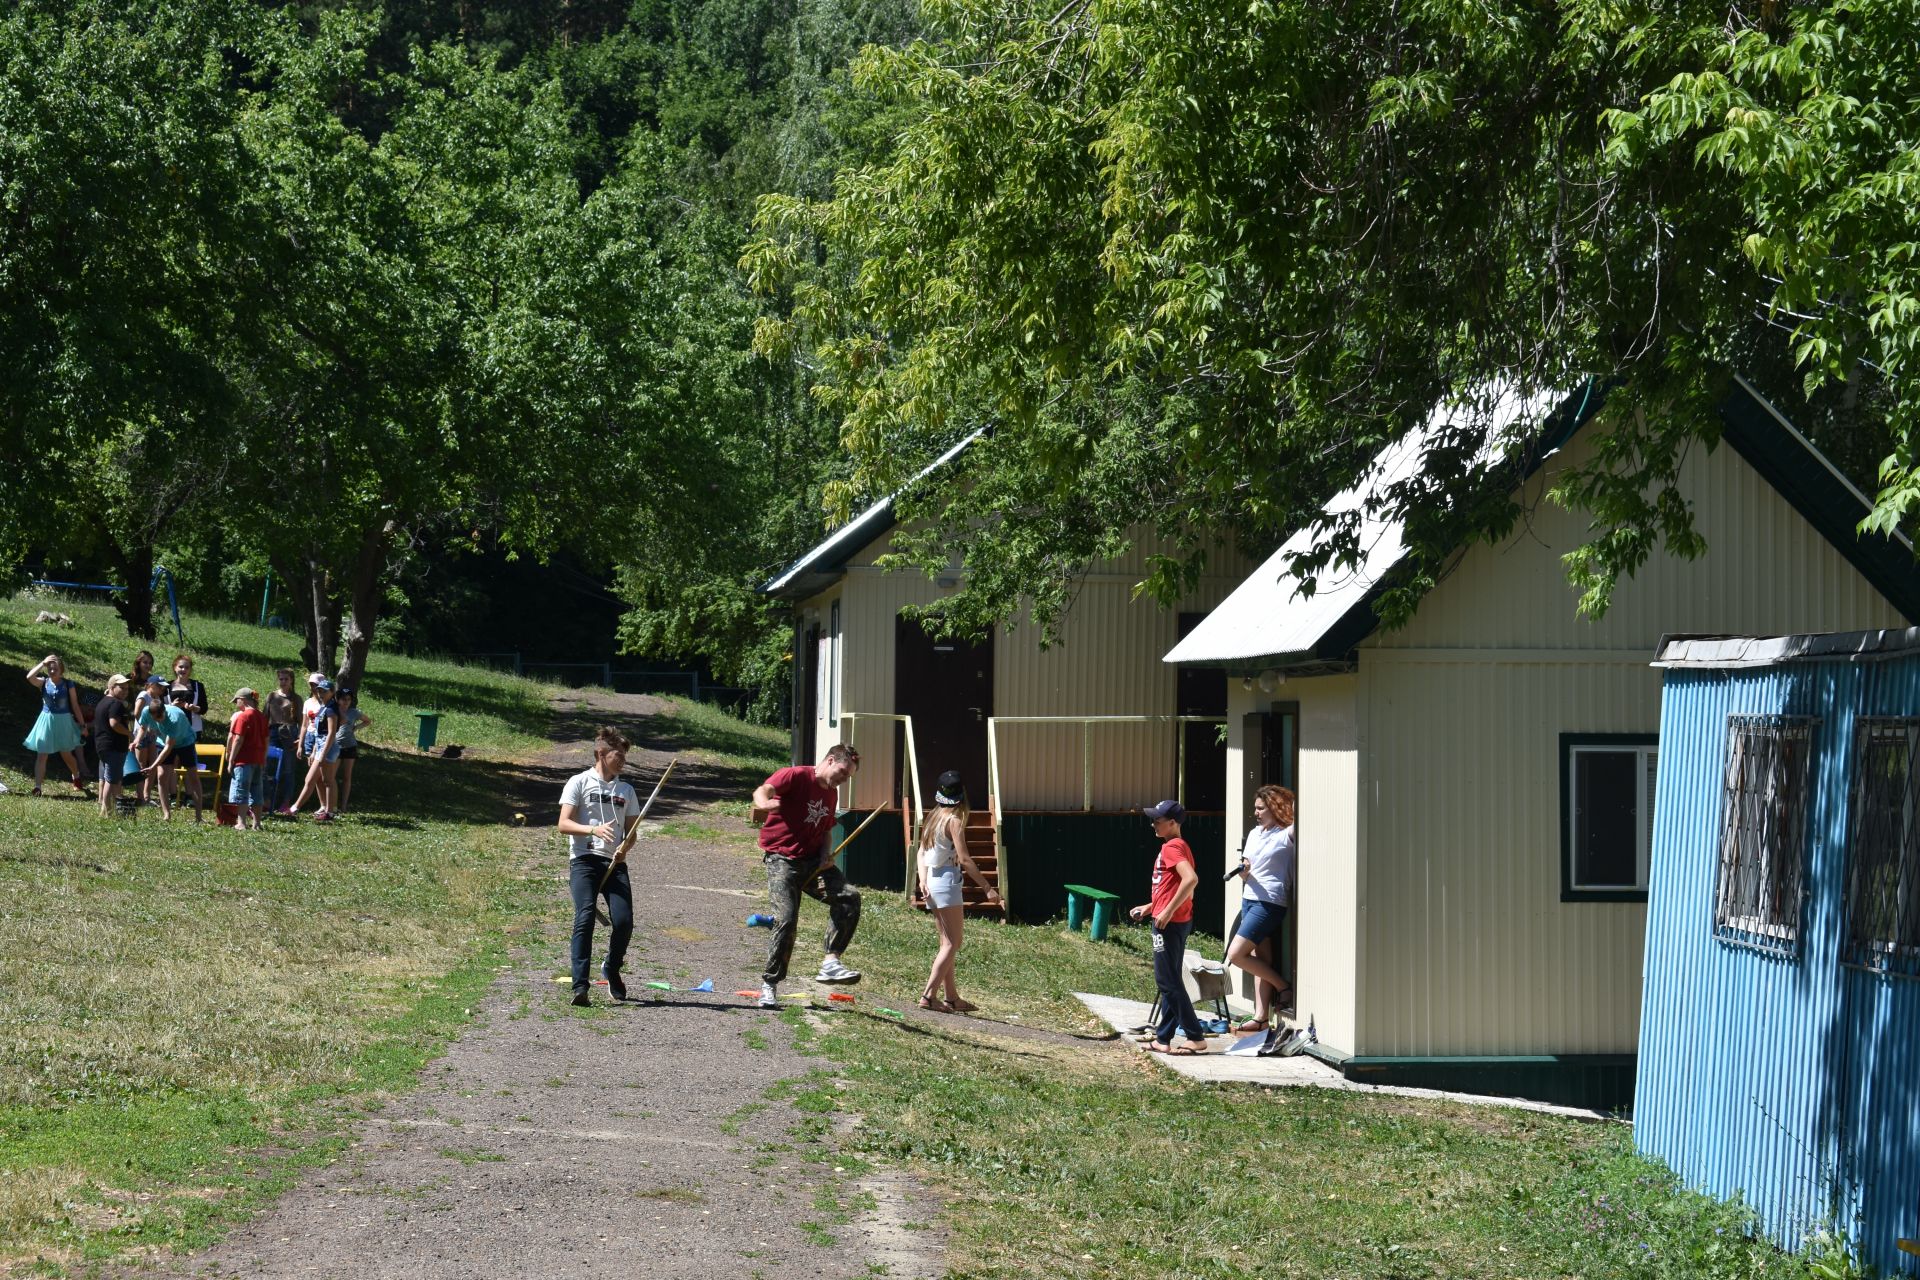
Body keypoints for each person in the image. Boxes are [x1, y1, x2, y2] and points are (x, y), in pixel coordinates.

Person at [748, 744, 864, 1008]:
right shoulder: (797, 775)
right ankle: (770, 984)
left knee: (849, 897)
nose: (844, 780)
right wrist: (765, 803)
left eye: (848, 777)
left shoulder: (831, 794)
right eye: (843, 772)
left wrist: (827, 855)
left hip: (814, 863)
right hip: (782, 859)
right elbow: (762, 790)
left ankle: (831, 963)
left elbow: (825, 830)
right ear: (831, 759)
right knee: (786, 920)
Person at [556, 727, 641, 1006]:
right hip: (583, 860)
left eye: (625, 755)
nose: (623, 760)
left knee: (624, 921)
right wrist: (592, 831)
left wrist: (623, 847)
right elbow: (563, 824)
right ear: (602, 754)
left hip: (614, 862)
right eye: (619, 754)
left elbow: (632, 833)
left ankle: (611, 967)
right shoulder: (578, 782)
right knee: (585, 916)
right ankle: (580, 986)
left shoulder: (626, 790)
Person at [913, 769, 1000, 1012]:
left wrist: (922, 880)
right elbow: (965, 860)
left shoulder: (933, 816)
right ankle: (929, 995)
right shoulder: (954, 821)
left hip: (931, 881)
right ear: (961, 795)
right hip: (948, 883)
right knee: (953, 942)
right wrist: (988, 888)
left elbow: (920, 851)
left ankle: (951, 997)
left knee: (946, 942)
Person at [1129, 799, 1208, 1055]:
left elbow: (1191, 881)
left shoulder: (1172, 848)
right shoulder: (1181, 846)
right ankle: (1163, 1038)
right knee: (1171, 982)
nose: (1153, 824)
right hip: (1175, 920)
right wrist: (1151, 907)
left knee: (1167, 982)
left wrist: (1167, 911)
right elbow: (1174, 888)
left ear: (1173, 823)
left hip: (1170, 924)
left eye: (1158, 820)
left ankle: (1195, 1036)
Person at [1226, 784, 1297, 1032]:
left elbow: (1302, 816)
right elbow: (1248, 867)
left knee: (1237, 955)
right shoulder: (1255, 833)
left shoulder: (1287, 834)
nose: (1255, 813)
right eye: (1255, 808)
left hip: (1270, 902)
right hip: (1249, 897)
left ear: (1275, 808)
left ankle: (1283, 986)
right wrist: (1244, 872)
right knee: (1260, 958)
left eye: (1260, 808)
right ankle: (1261, 1018)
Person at [23, 654, 89, 797]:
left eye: (55, 668)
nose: (52, 671)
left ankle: (76, 775)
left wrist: (83, 725)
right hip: (46, 721)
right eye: (50, 668)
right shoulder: (43, 682)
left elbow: (75, 705)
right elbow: (29, 677)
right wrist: (43, 663)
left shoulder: (68, 684)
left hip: (64, 721)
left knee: (65, 753)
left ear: (61, 670)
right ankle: (38, 787)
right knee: (42, 754)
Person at [137, 676, 199, 821]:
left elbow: (168, 748)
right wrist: (136, 741)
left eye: (160, 717)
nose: (159, 720)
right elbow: (142, 727)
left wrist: (152, 766)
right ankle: (166, 814)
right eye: (156, 718)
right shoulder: (147, 711)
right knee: (161, 777)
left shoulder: (173, 719)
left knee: (193, 777)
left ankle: (198, 816)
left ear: (164, 711)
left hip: (185, 742)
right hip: (164, 742)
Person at [285, 677, 338, 820]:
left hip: (327, 748)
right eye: (319, 690)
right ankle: (327, 811)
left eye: (324, 691)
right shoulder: (324, 706)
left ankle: (297, 808)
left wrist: (322, 753)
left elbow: (331, 733)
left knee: (319, 780)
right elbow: (319, 731)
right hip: (320, 746)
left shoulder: (332, 708)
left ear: (332, 692)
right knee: (325, 780)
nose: (321, 693)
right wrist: (315, 749)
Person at [224, 688, 270, 830]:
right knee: (257, 791)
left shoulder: (243, 717)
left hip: (243, 760)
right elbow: (267, 739)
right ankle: (256, 823)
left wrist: (231, 758)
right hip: (258, 759)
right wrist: (264, 757)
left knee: (242, 790)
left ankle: (241, 822)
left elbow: (238, 739)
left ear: (243, 700)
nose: (236, 703)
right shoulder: (262, 717)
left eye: (236, 700)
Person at [91, 674, 135, 817]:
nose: (125, 691)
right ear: (111, 687)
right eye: (121, 688)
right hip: (113, 746)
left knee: (112, 777)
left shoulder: (103, 702)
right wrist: (129, 733)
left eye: (127, 688)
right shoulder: (116, 704)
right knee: (111, 779)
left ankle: (116, 809)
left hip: (103, 745)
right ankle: (106, 811)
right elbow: (114, 723)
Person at [265, 668, 302, 812]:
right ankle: (267, 800)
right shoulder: (272, 696)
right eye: (281, 679)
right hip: (273, 732)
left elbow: (300, 721)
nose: (283, 682)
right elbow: (265, 716)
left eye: (286, 679)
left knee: (288, 769)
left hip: (289, 733)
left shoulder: (296, 698)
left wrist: (299, 738)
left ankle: (285, 802)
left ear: (291, 680)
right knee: (269, 767)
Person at [332, 687, 371, 814]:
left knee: (347, 776)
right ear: (338, 699)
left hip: (350, 746)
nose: (346, 702)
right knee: (331, 776)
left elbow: (367, 721)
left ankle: (343, 806)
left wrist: (355, 728)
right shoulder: (333, 711)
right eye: (343, 699)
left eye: (348, 699)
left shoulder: (354, 712)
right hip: (336, 746)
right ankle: (332, 804)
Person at [168, 654, 208, 739]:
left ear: (190, 670)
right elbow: (160, 708)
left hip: (193, 729)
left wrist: (194, 708)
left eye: (187, 667)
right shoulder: (167, 686)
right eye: (181, 667)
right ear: (175, 668)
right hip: (171, 729)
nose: (183, 669)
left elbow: (204, 708)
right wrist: (172, 706)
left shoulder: (198, 686)